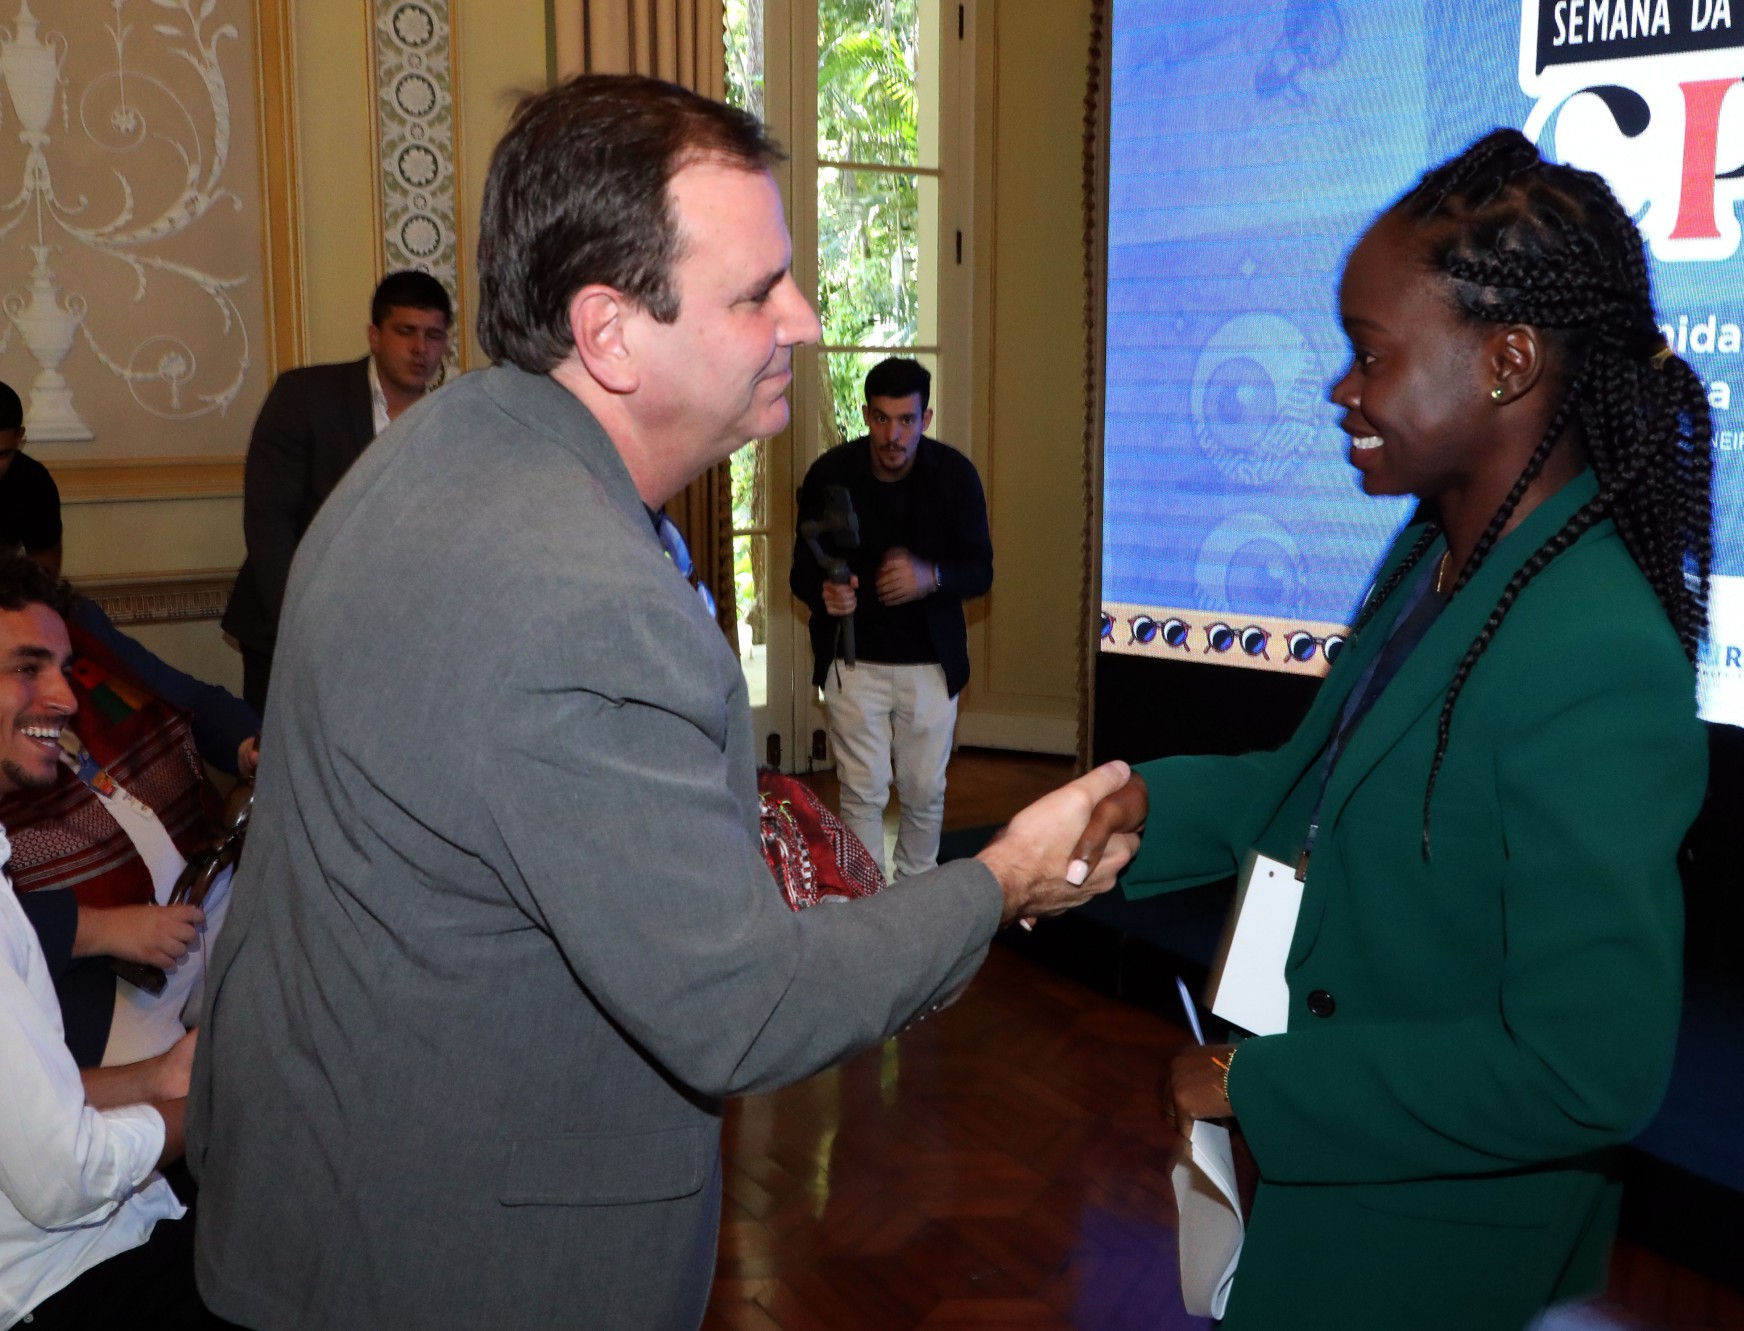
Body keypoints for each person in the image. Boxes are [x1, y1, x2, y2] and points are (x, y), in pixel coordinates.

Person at [187, 74, 1135, 1331]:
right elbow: (741, 1007)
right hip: (464, 1264)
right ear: (610, 331)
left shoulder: (434, 446)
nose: (804, 316)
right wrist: (1002, 878)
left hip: (323, 1184)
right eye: (757, 292)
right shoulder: (591, 598)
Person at [1072, 129, 1715, 1329]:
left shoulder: (1594, 650)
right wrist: (1133, 812)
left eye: (1370, 353)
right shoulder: (1437, 552)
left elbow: (1589, 1070)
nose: (1342, 388)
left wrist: (1259, 1082)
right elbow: (1312, 787)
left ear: (1509, 360)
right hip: (1344, 1202)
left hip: (1438, 1246)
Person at [0, 557, 214, 1329]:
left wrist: (165, 1072)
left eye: (61, 667)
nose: (63, 695)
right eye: (27, 668)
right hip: (58, 1282)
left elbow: (33, 1105)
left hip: (103, 1236)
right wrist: (214, 1107)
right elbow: (61, 1175)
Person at [7, 578, 260, 1069]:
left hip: (215, 889)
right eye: (26, 668)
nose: (67, 697)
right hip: (101, 974)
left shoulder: (67, 621)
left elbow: (194, 699)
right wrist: (98, 929)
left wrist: (248, 747)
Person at [790, 356, 991, 879]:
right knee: (861, 791)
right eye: (881, 418)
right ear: (865, 415)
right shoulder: (829, 474)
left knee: (925, 791)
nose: (893, 435)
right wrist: (825, 595)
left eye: (906, 420)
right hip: (853, 661)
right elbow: (798, 575)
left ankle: (917, 899)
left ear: (925, 419)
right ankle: (865, 903)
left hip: (930, 663)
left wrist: (933, 578)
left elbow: (981, 571)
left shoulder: (955, 477)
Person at [221, 270, 453, 712]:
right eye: (406, 332)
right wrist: (307, 626)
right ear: (375, 335)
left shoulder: (451, 420)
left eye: (434, 336)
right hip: (295, 631)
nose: (421, 349)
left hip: (399, 647)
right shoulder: (306, 396)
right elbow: (269, 523)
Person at [0, 381, 64, 575]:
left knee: (85, 607)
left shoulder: (32, 482)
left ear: (19, 437)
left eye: (2, 455)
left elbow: (44, 575)